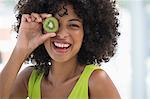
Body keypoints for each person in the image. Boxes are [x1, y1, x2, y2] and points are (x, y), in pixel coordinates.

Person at [0, 0, 121, 99]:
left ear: (87, 33)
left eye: (73, 25)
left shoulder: (96, 81)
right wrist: (21, 49)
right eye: (54, 24)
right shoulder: (30, 77)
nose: (62, 34)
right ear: (41, 27)